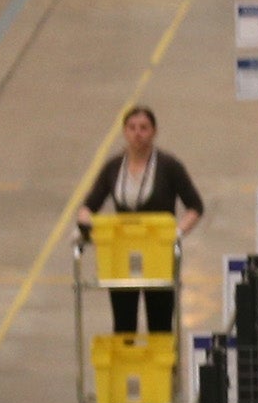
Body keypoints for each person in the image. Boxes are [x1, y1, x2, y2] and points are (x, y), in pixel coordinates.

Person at [77, 107, 205, 336]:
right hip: (122, 257)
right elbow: (89, 206)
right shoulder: (113, 168)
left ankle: (162, 370)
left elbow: (195, 206)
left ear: (154, 132)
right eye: (132, 128)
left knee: (160, 324)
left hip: (158, 256)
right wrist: (85, 223)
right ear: (124, 132)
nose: (138, 134)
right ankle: (128, 369)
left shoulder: (169, 166)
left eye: (144, 128)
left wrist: (176, 233)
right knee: (124, 325)